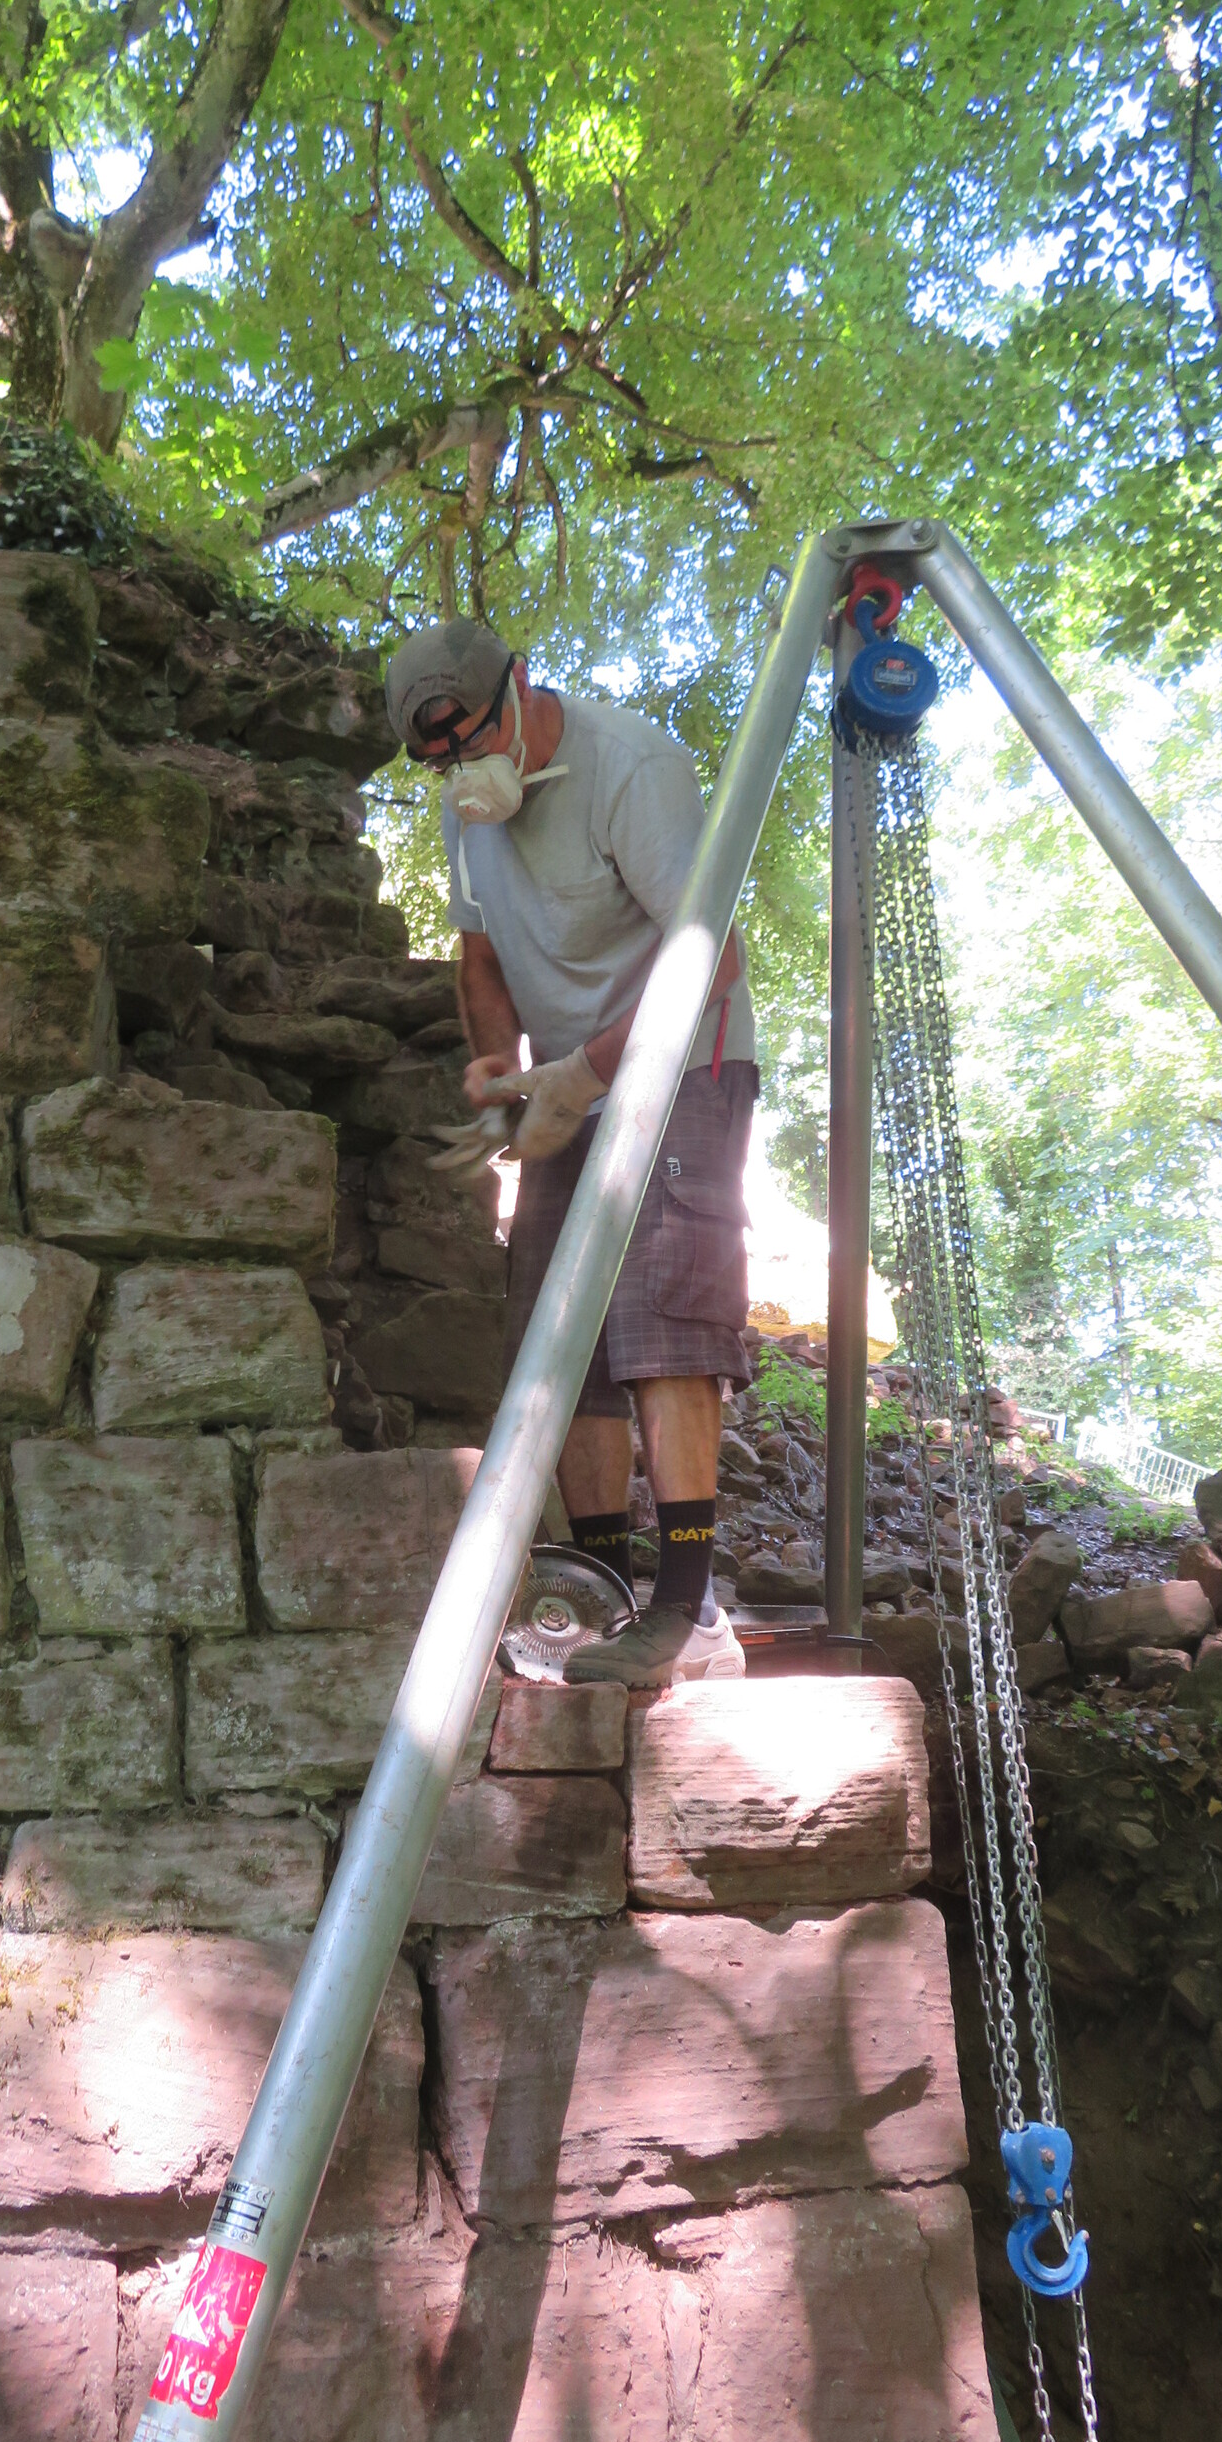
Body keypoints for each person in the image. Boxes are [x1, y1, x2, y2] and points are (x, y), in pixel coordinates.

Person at [384, 617, 758, 1688]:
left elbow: (713, 956)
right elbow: (481, 960)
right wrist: (499, 1066)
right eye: (439, 759)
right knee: (564, 1337)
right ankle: (607, 1596)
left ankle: (688, 1613)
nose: (463, 768)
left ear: (519, 688)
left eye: (471, 739)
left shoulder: (632, 769)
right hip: (567, 1080)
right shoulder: (469, 812)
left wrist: (586, 1074)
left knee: (663, 1322)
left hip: (688, 1062)